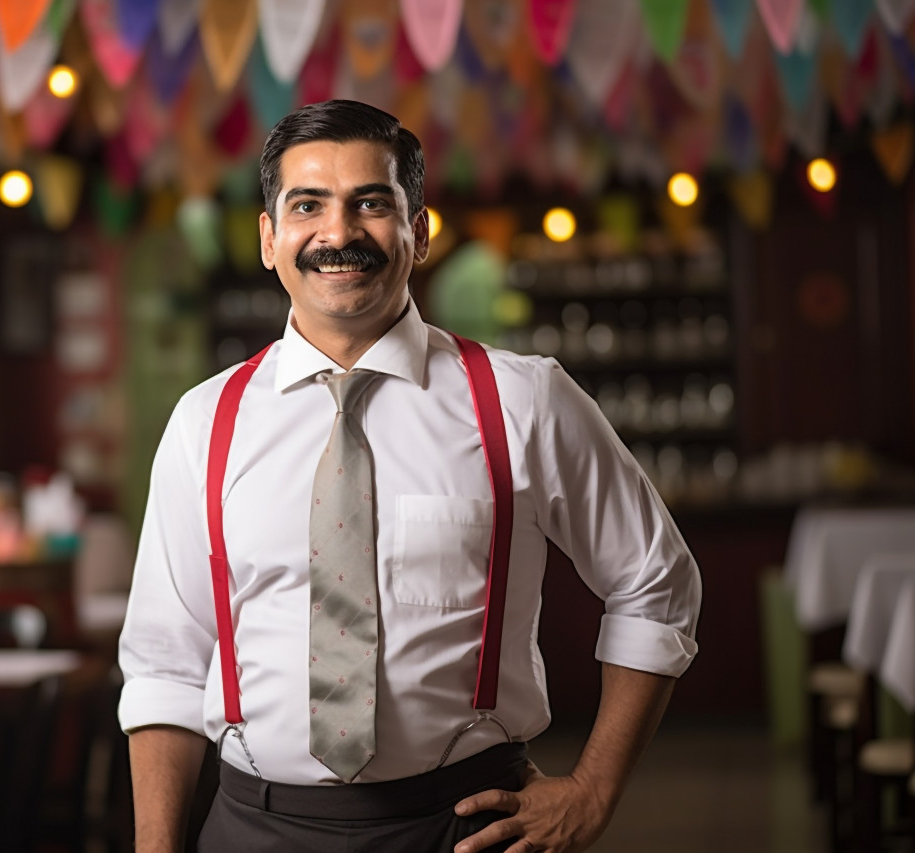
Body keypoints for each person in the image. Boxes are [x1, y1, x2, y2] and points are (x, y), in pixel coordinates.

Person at [118, 99, 702, 853]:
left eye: (372, 203)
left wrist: (593, 791)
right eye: (307, 206)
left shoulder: (523, 399)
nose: (339, 234)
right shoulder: (205, 423)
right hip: (252, 827)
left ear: (418, 231)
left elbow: (658, 582)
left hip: (465, 828)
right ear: (269, 238)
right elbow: (166, 663)